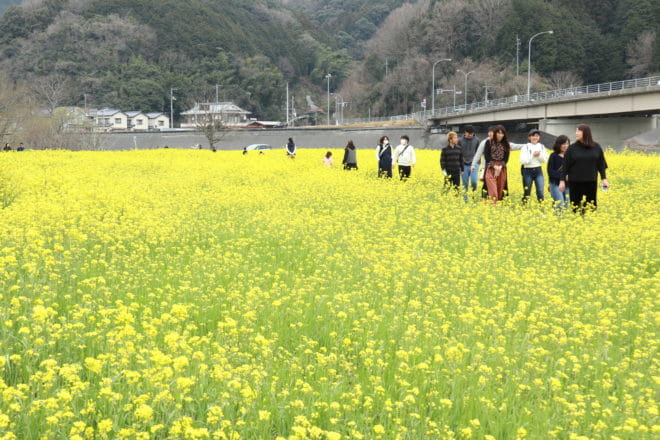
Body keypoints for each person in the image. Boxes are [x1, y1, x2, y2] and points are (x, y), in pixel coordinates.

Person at [559, 125, 608, 214]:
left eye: (578, 131)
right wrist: (562, 181)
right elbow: (565, 166)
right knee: (576, 207)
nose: (576, 133)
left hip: (591, 181)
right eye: (576, 131)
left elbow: (601, 164)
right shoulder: (572, 148)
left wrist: (604, 179)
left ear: (585, 133)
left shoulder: (596, 147)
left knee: (591, 207)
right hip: (575, 182)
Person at [519, 128, 549, 203]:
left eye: (537, 136)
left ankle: (541, 207)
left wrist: (539, 155)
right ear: (529, 137)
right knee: (527, 192)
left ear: (539, 137)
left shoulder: (541, 147)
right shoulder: (525, 147)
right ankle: (523, 208)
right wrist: (532, 155)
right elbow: (523, 161)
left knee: (540, 191)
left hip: (538, 170)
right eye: (533, 136)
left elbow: (544, 160)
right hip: (527, 170)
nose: (535, 137)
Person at [483, 125, 511, 203]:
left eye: (502, 133)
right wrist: (494, 166)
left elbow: (506, 158)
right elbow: (487, 156)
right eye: (498, 133)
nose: (500, 135)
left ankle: (498, 206)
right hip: (491, 167)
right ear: (495, 133)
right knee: (492, 188)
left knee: (500, 188)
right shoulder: (489, 142)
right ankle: (493, 205)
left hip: (501, 168)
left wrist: (500, 166)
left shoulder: (506, 143)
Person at [547, 135, 570, 210]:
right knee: (560, 204)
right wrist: (563, 177)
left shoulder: (570, 156)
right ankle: (557, 220)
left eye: (567, 143)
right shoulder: (553, 156)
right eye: (563, 144)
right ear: (558, 144)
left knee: (567, 205)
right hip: (555, 184)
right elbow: (550, 171)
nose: (565, 146)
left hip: (568, 184)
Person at [457, 126, 480, 193]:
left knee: (474, 181)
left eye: (471, 134)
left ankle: (473, 195)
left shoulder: (477, 140)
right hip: (463, 165)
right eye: (468, 133)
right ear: (465, 132)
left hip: (474, 164)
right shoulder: (460, 140)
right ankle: (466, 201)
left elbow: (478, 152)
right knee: (465, 184)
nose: (470, 135)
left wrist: (477, 163)